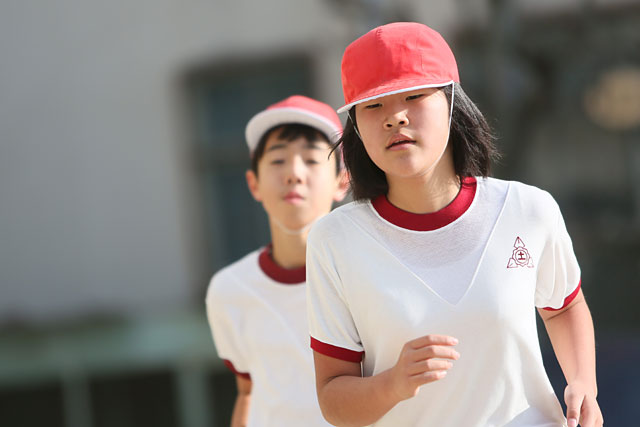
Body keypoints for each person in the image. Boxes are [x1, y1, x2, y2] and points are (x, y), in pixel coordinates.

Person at [306, 22, 603, 427]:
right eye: (373, 106)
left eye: (413, 96)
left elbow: (564, 306)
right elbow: (333, 400)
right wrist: (393, 384)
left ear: (451, 103)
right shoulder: (334, 240)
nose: (395, 117)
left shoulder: (528, 209)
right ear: (355, 126)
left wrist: (583, 382)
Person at [206, 95, 348, 427]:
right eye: (278, 160)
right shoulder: (229, 290)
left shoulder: (368, 273)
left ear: (342, 181)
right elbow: (247, 391)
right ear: (253, 183)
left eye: (311, 159)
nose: (294, 174)